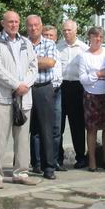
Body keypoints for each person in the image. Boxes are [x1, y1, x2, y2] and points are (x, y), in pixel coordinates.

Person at [0, 10, 39, 189]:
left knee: (23, 138)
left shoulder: (25, 42)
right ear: (3, 23)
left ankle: (21, 173)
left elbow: (34, 66)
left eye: (16, 21)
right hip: (2, 97)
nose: (14, 25)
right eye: (10, 21)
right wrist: (16, 84)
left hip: (24, 96)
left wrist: (26, 84)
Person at [27, 15, 60, 179]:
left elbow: (50, 63)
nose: (33, 28)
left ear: (41, 26)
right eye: (30, 25)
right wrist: (38, 61)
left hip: (44, 88)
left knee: (46, 129)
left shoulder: (49, 43)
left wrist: (28, 61)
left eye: (36, 25)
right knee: (29, 129)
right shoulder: (22, 43)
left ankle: (49, 167)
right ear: (26, 27)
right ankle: (35, 164)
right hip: (26, 89)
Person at [78, 27, 105, 171]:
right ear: (89, 38)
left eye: (100, 37)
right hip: (90, 95)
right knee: (91, 129)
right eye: (95, 36)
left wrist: (94, 75)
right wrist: (99, 74)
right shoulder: (84, 56)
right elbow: (83, 79)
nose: (98, 39)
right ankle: (92, 160)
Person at [57, 19, 89, 169]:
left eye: (69, 30)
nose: (66, 33)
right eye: (64, 30)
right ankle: (58, 157)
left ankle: (81, 157)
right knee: (58, 125)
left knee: (77, 125)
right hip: (61, 87)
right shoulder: (58, 47)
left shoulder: (84, 48)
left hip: (77, 87)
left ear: (76, 30)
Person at [42, 25, 66, 170]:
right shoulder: (38, 50)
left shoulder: (58, 51)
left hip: (57, 91)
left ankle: (55, 160)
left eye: (51, 35)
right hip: (42, 90)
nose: (49, 38)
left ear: (56, 38)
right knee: (40, 128)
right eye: (46, 35)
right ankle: (39, 162)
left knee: (56, 128)